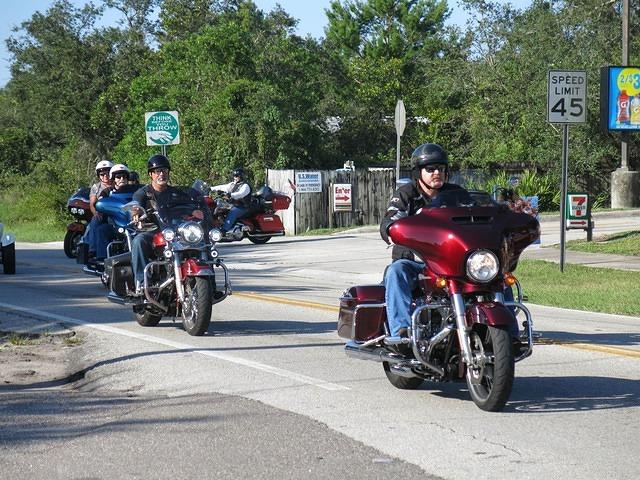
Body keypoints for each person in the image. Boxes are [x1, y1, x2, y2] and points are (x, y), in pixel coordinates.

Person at [380, 143, 468, 340]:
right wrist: (392, 229)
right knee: (396, 271)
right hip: (415, 263)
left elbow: (477, 213)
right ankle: (400, 333)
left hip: (451, 263)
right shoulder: (406, 195)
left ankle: (508, 330)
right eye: (430, 169)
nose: (437, 172)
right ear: (418, 172)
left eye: (441, 168)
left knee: (496, 273)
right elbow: (390, 220)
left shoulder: (457, 195)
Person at [129, 154, 208, 295]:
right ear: (151, 174)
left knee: (202, 239)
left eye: (164, 171)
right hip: (153, 230)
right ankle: (141, 283)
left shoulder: (176, 193)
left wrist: (195, 210)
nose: (161, 174)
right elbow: (135, 204)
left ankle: (209, 283)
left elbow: (187, 204)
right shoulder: (144, 193)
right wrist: (135, 213)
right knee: (138, 241)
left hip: (175, 231)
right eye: (157, 171)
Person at [90, 164, 133, 261]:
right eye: (118, 177)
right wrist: (100, 209)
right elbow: (99, 203)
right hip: (115, 223)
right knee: (102, 230)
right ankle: (102, 259)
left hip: (134, 223)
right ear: (113, 179)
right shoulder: (107, 191)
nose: (122, 179)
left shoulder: (135, 190)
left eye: (124, 176)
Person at [82, 160, 113, 258]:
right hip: (101, 213)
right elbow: (92, 204)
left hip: (115, 213)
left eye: (107, 173)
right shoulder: (96, 187)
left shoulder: (117, 183)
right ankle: (93, 249)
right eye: (102, 174)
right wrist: (95, 213)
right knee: (95, 221)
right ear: (98, 175)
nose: (105, 176)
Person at [211, 167, 252, 235]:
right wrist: (211, 188)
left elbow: (240, 194)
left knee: (233, 211)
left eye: (236, 176)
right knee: (218, 208)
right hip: (233, 204)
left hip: (242, 207)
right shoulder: (233, 184)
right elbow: (222, 187)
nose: (234, 177)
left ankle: (224, 230)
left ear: (241, 176)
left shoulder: (245, 186)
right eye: (234, 176)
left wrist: (230, 195)